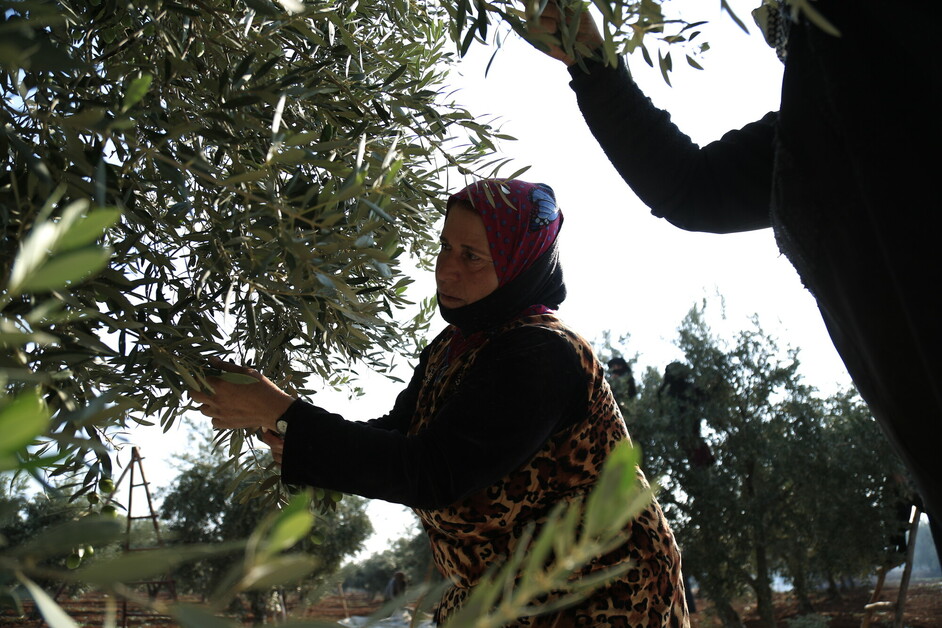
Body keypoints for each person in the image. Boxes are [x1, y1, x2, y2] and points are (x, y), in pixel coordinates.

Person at [525, 0, 942, 560]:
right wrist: (594, 63)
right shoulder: (817, 140)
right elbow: (690, 188)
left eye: (781, 16)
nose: (773, 28)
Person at [190, 179, 690, 626]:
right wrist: (285, 430)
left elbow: (433, 472)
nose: (446, 271)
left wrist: (286, 413)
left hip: (597, 595)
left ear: (521, 261)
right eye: (445, 247)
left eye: (472, 256)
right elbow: (400, 435)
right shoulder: (455, 347)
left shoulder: (542, 355)